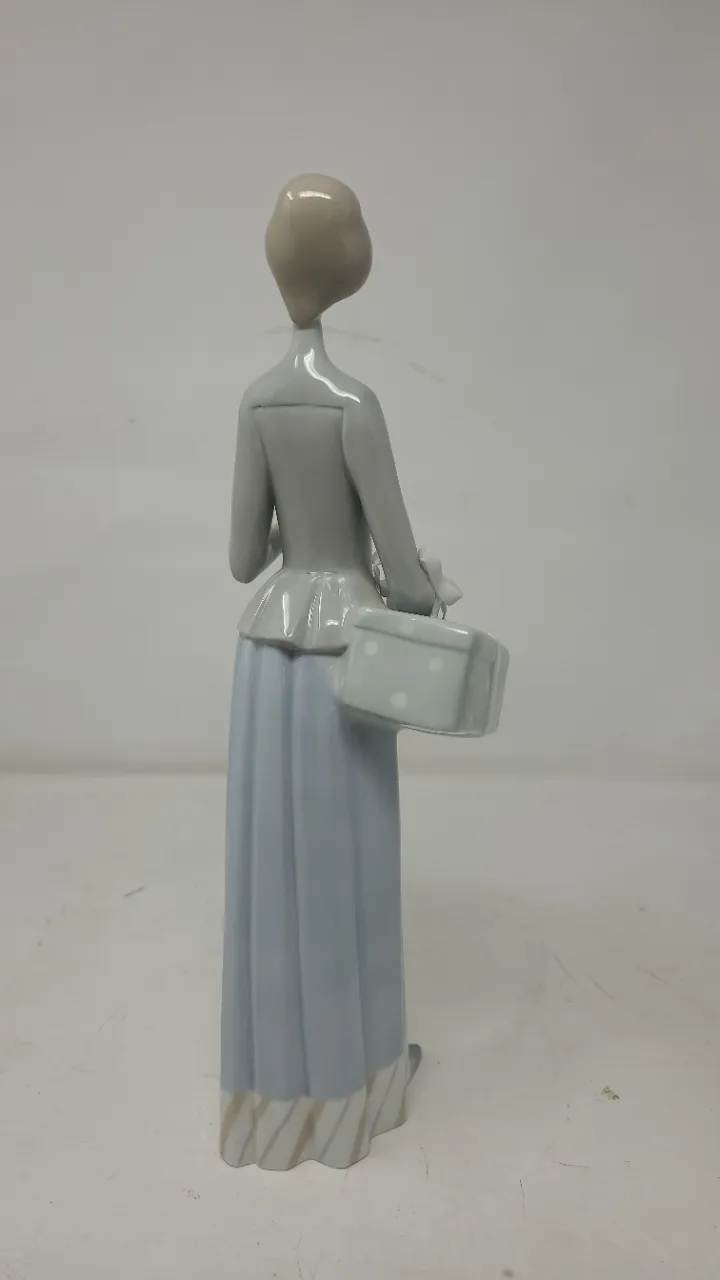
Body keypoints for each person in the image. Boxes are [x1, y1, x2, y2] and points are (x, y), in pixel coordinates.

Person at [221, 174, 435, 1170]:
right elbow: (402, 568)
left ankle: (271, 1107)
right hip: (344, 648)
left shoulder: (259, 401)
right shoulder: (355, 403)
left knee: (274, 871)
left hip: (269, 655)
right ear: (351, 266)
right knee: (349, 864)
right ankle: (360, 1087)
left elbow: (242, 558)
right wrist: (423, 588)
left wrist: (294, 534)